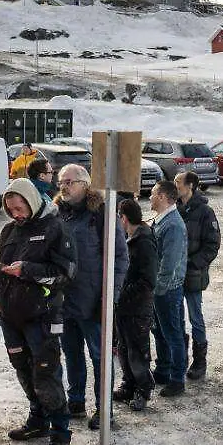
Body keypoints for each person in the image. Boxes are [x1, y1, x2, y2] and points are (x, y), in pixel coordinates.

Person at [0, 178, 75, 445]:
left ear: (32, 201)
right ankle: (37, 419)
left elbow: (65, 273)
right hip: (12, 317)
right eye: (10, 208)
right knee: (23, 370)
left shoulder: (54, 228)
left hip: (42, 316)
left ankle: (61, 434)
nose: (16, 213)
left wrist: (26, 270)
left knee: (46, 373)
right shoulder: (9, 231)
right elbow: (0, 269)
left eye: (19, 207)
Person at [53, 164, 127, 427]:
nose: (63, 186)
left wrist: (110, 297)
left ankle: (104, 409)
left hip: (94, 300)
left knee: (100, 356)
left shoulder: (102, 214)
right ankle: (76, 400)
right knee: (71, 353)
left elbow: (119, 257)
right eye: (60, 181)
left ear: (85, 184)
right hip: (64, 300)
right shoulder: (57, 214)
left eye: (69, 181)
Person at [174, 171, 219, 380]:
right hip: (174, 274)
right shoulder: (174, 208)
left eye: (178, 183)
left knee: (195, 317)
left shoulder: (205, 212)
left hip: (193, 274)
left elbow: (212, 245)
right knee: (176, 318)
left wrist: (193, 264)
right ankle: (180, 359)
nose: (175, 186)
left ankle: (199, 362)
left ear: (190, 186)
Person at [113, 198, 157, 412]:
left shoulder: (144, 242)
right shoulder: (127, 238)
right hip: (124, 307)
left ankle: (143, 388)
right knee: (123, 348)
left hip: (138, 308)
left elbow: (148, 280)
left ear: (124, 218)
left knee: (138, 351)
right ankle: (128, 384)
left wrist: (121, 292)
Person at [150, 180, 190, 387]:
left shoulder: (172, 224)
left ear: (163, 197)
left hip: (167, 289)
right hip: (161, 288)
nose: (149, 197)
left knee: (172, 333)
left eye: (153, 194)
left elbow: (169, 263)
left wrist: (158, 290)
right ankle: (163, 370)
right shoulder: (162, 219)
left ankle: (176, 378)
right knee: (160, 331)